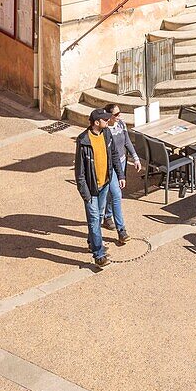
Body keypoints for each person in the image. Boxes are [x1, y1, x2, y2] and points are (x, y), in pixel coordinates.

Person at [74, 108, 125, 270]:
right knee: (95, 219)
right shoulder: (83, 141)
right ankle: (99, 254)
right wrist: (85, 195)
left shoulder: (107, 134)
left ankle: (92, 242)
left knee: (99, 215)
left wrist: (120, 175)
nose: (108, 121)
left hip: (105, 183)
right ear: (96, 123)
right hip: (91, 189)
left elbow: (114, 155)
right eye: (105, 120)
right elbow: (79, 172)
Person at [102, 103, 141, 244]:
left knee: (114, 192)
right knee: (117, 194)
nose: (120, 116)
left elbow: (127, 142)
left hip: (122, 163)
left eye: (120, 113)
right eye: (116, 115)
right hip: (110, 166)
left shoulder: (121, 125)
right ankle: (121, 230)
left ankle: (107, 216)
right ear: (108, 116)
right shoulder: (104, 130)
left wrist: (135, 157)